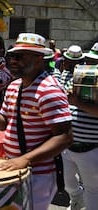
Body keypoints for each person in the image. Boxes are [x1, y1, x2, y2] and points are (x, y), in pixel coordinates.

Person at [0, 33, 72, 210]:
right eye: (12, 55)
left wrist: (25, 160)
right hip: (15, 168)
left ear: (39, 59)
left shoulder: (48, 90)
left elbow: (64, 137)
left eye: (20, 56)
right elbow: (3, 124)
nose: (13, 60)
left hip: (39, 174)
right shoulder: (13, 86)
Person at [60, 43, 98, 210]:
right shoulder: (79, 76)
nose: (90, 64)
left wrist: (77, 102)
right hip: (69, 144)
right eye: (90, 60)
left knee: (93, 190)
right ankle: (77, 199)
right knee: (68, 184)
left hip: (91, 147)